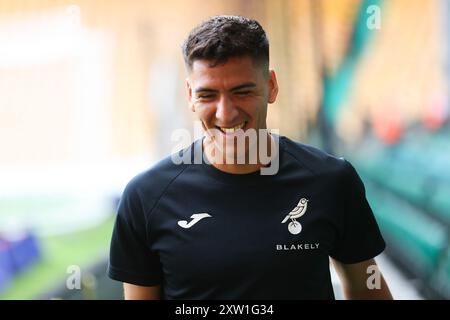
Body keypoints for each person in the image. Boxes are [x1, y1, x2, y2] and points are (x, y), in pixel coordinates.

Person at [107, 15, 393, 300]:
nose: (225, 112)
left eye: (241, 92)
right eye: (208, 95)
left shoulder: (331, 182)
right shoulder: (146, 198)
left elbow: (368, 289)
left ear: (271, 86)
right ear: (190, 95)